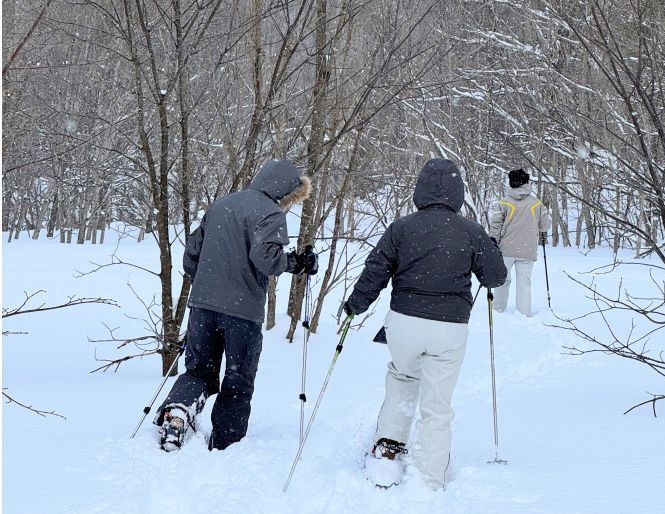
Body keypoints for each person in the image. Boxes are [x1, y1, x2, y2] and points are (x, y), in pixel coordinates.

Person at [343, 158, 507, 490]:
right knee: (437, 401)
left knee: (402, 378)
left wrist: (355, 305)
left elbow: (376, 269)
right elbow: (495, 277)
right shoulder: (471, 231)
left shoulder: (402, 228)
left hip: (404, 321)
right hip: (449, 327)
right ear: (458, 194)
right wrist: (488, 248)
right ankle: (429, 475)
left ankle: (387, 450)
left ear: (420, 190)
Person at [154, 159, 318, 452]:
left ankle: (177, 412)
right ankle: (225, 443)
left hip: (202, 307)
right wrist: (295, 262)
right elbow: (266, 260)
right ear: (285, 191)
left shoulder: (222, 204)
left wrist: (205, 286)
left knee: (198, 370)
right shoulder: (271, 214)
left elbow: (191, 254)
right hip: (242, 313)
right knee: (238, 376)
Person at [489, 168, 551, 317]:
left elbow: (496, 225)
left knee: (503, 279)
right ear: (526, 182)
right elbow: (545, 225)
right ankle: (523, 313)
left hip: (506, 249)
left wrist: (492, 241)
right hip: (527, 250)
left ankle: (498, 310)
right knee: (524, 282)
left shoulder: (503, 203)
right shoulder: (536, 204)